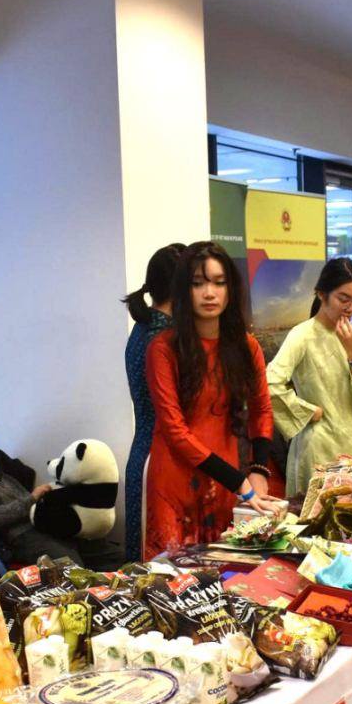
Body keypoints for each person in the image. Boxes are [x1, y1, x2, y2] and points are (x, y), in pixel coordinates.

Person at [142, 241, 277, 557]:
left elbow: (262, 409)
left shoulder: (247, 346)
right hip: (176, 482)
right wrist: (239, 481)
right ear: (183, 290)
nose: (209, 293)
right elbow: (175, 430)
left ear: (231, 289)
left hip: (226, 482)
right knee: (174, 577)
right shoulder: (162, 349)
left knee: (226, 571)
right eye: (198, 283)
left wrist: (258, 469)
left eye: (219, 282)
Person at [266, 258, 352, 496]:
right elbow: (269, 383)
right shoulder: (303, 335)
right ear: (321, 294)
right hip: (316, 445)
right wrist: (307, 410)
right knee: (316, 512)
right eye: (343, 299)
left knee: (350, 512)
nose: (351, 308)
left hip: (350, 443)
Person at [123, 243, 185, 563]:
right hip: (163, 460)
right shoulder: (164, 338)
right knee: (164, 570)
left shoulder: (145, 327)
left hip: (146, 454)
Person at [0, 421, 81, 565]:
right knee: (67, 559)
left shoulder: (3, 476)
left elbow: (27, 501)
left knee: (88, 542)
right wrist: (31, 499)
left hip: (38, 526)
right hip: (20, 538)